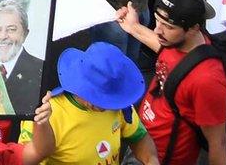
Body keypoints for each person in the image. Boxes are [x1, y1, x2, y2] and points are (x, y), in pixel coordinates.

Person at [118, 0, 226, 165]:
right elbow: (162, 47)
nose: (157, 30)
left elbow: (218, 143)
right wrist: (134, 27)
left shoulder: (207, 80)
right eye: (157, 21)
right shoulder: (175, 41)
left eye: (168, 26)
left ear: (194, 29)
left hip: (164, 158)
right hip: (143, 140)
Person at [21, 44, 157, 165]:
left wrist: (151, 160)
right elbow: (23, 158)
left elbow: (139, 137)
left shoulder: (119, 104)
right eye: (93, 95)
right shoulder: (44, 115)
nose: (101, 105)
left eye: (106, 99)